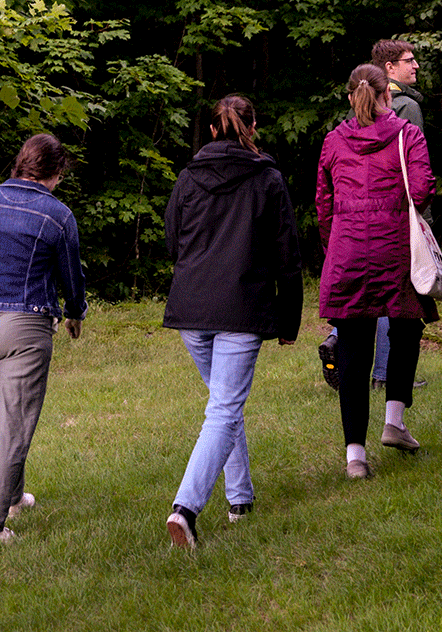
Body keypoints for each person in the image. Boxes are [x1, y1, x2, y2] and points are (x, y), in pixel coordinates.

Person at [161, 96, 302, 550]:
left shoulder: (191, 178)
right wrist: (290, 317)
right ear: (253, 126)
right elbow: (287, 254)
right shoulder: (267, 179)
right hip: (240, 307)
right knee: (223, 409)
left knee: (224, 405)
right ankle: (185, 509)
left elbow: (173, 241)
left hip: (193, 306)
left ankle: (240, 498)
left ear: (212, 128)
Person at [0, 133, 86, 547]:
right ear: (56, 172)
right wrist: (76, 312)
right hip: (24, 328)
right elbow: (71, 276)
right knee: (14, 424)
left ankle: (14, 496)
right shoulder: (58, 214)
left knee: (3, 410)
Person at [316, 64, 434, 479]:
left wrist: (337, 244)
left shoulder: (333, 140)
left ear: (351, 97)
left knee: (352, 347)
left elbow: (323, 203)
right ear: (389, 96)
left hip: (348, 250)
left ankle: (355, 457)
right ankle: (394, 422)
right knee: (405, 328)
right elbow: (421, 190)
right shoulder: (408, 134)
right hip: (394, 248)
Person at [319, 39, 427, 391]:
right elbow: (418, 180)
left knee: (359, 304)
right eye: (408, 61)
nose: (416, 66)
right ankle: (385, 378)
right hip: (391, 228)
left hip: (349, 235)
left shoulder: (339, 132)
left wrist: (331, 240)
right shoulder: (406, 110)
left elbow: (327, 198)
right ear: (388, 72)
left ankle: (339, 339)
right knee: (393, 304)